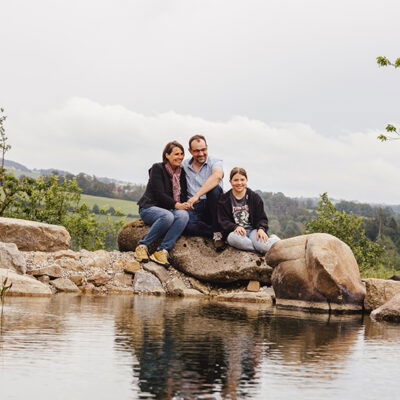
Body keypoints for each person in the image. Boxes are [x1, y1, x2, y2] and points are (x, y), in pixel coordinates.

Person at [135, 141, 190, 267]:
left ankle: (161, 251)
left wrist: (186, 204)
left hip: (169, 209)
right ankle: (143, 246)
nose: (180, 157)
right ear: (167, 155)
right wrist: (177, 205)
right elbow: (158, 194)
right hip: (150, 208)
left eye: (182, 154)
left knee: (184, 215)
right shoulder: (157, 168)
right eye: (176, 154)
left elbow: (183, 195)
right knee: (167, 216)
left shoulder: (182, 173)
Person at [218, 167, 280, 254]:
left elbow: (262, 218)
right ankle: (259, 248)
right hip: (235, 233)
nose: (239, 183)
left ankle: (272, 241)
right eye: (236, 180)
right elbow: (223, 221)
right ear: (230, 182)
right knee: (235, 240)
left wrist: (261, 229)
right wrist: (235, 227)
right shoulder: (224, 199)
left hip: (253, 231)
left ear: (246, 180)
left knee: (263, 245)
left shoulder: (254, 197)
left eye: (242, 180)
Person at [182, 134, 224, 249]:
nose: (201, 154)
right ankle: (214, 231)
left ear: (207, 147)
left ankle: (218, 235)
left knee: (214, 190)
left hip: (214, 205)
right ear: (190, 151)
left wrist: (197, 195)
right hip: (195, 207)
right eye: (196, 151)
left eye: (203, 150)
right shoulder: (184, 165)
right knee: (185, 223)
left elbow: (217, 176)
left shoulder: (214, 161)